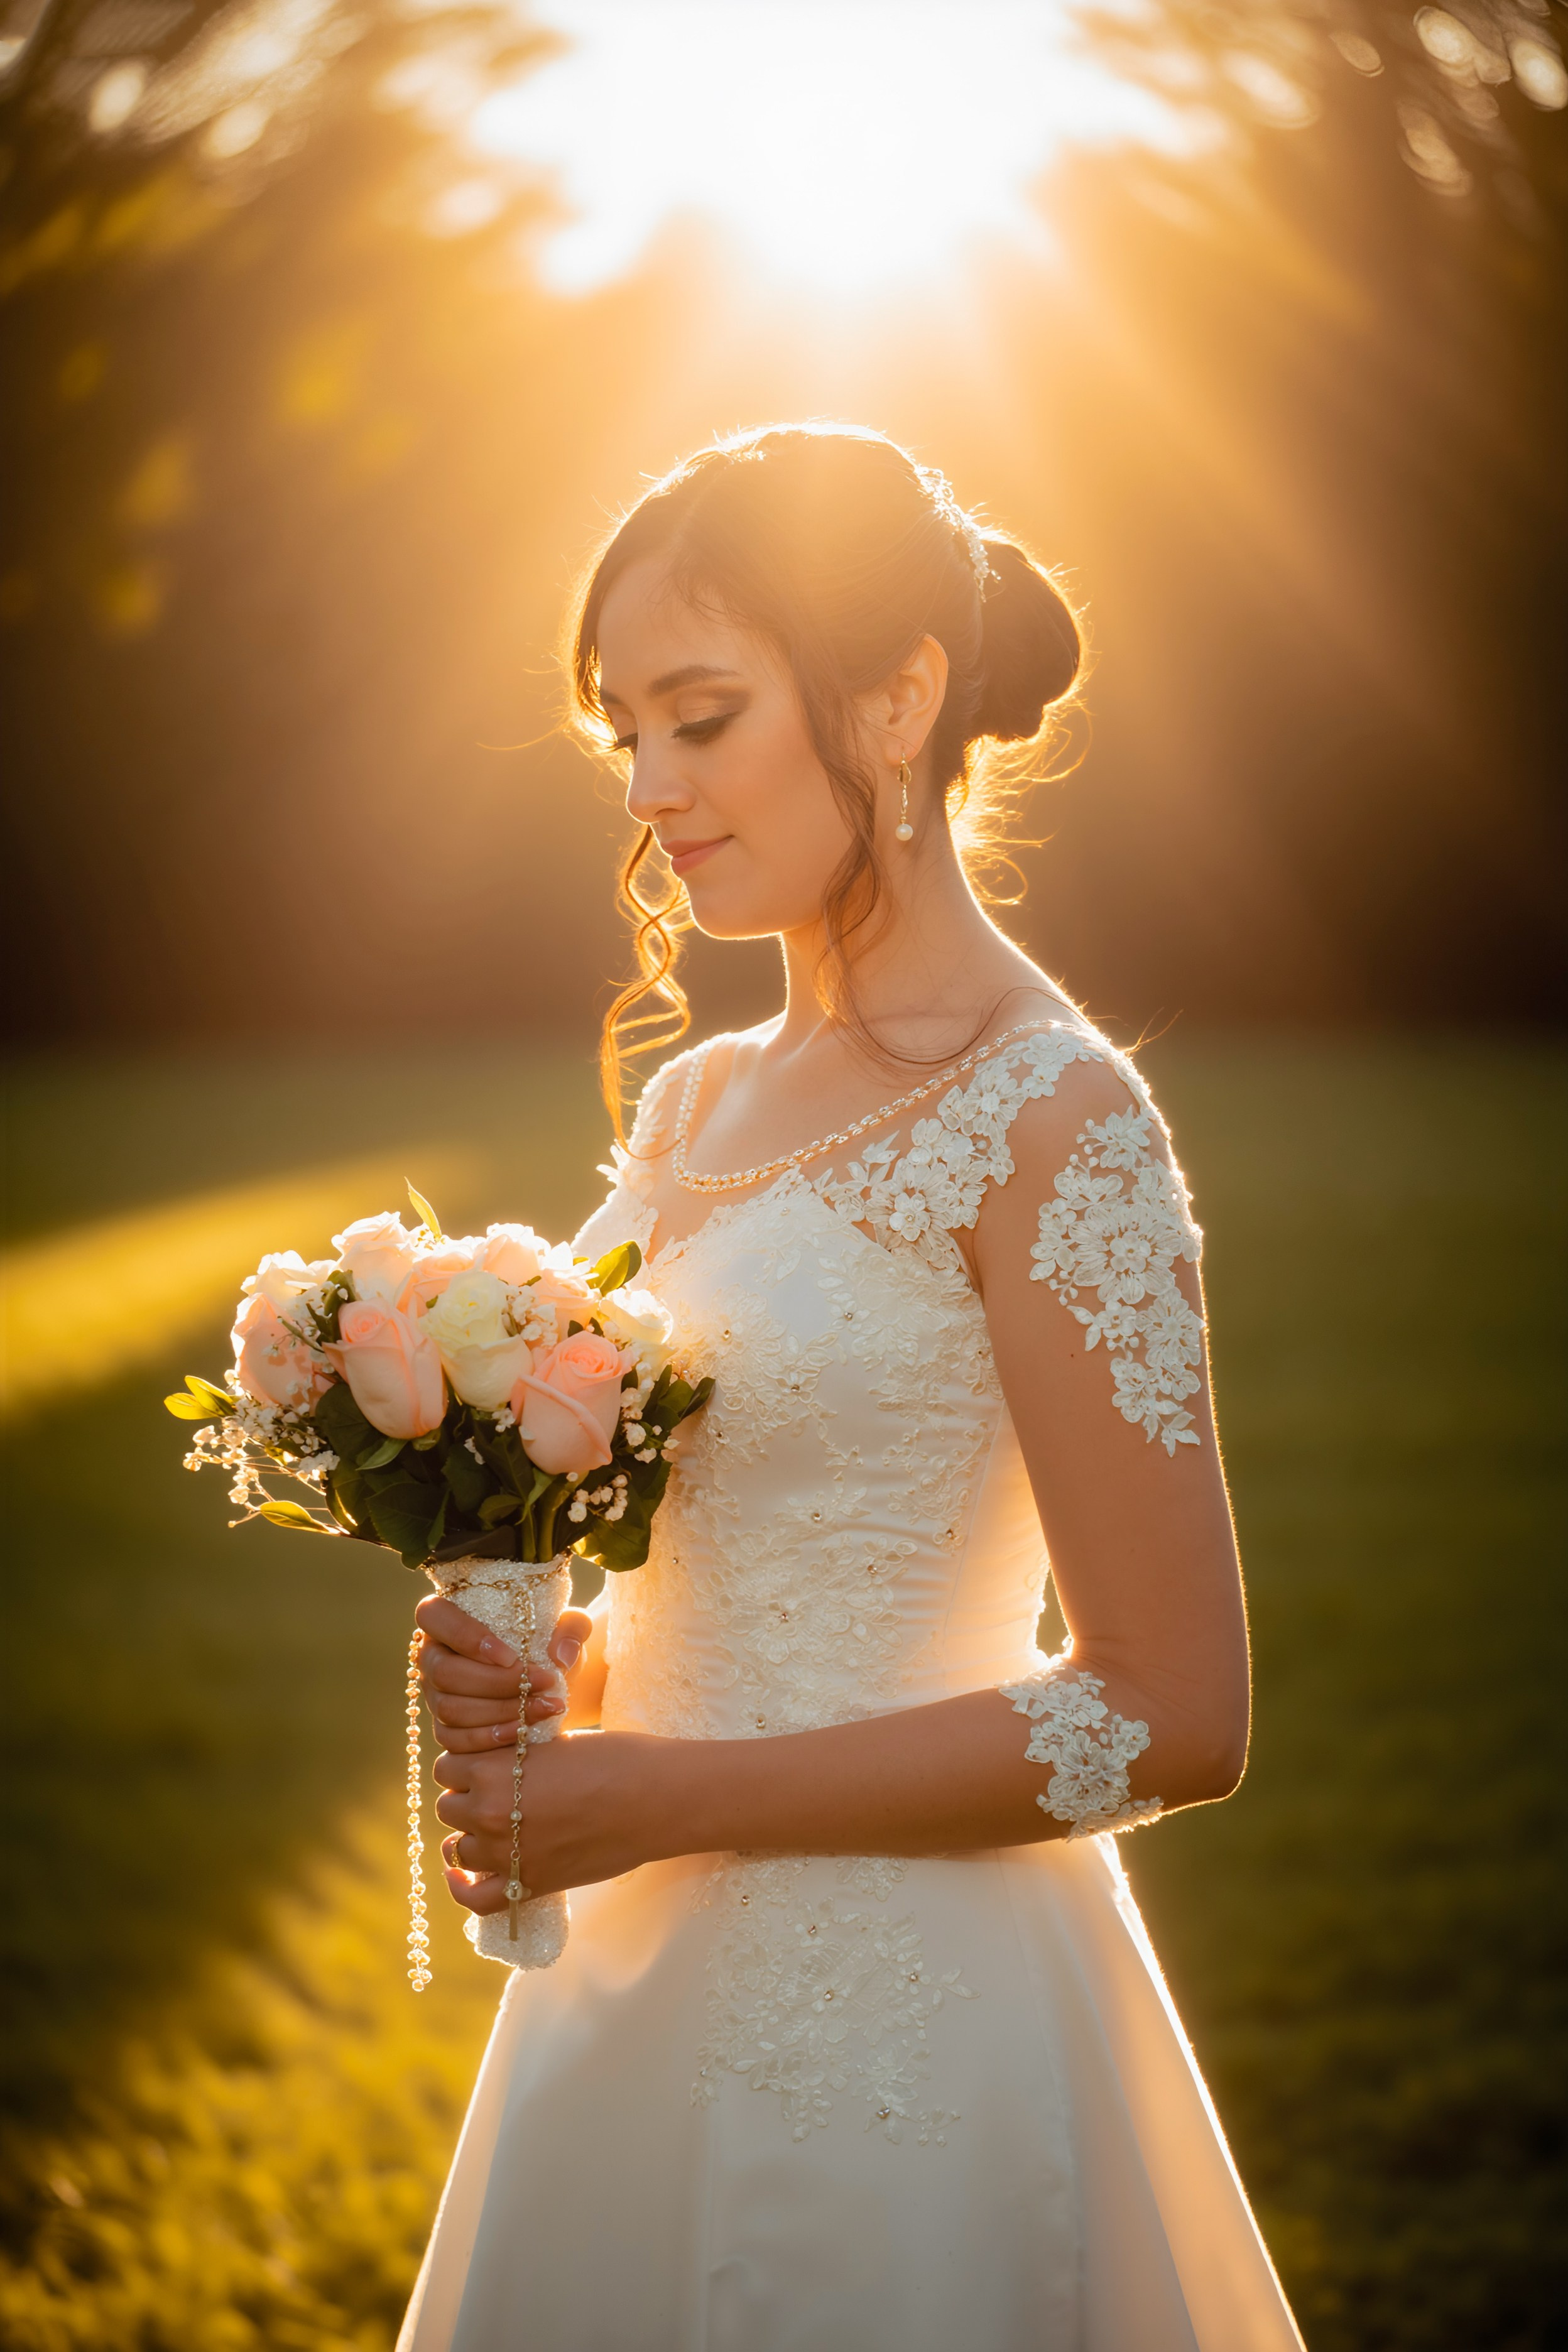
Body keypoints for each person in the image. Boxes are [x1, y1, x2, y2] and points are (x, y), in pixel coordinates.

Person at [399, 423, 1304, 2350]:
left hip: (913, 2036)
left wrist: (670, 1798)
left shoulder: (1054, 1118)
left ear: (896, 698)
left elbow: (1175, 1711)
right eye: (621, 731)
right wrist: (551, 1671)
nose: (649, 790)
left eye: (701, 718)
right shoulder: (696, 1101)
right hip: (622, 1999)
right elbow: (711, 1534)